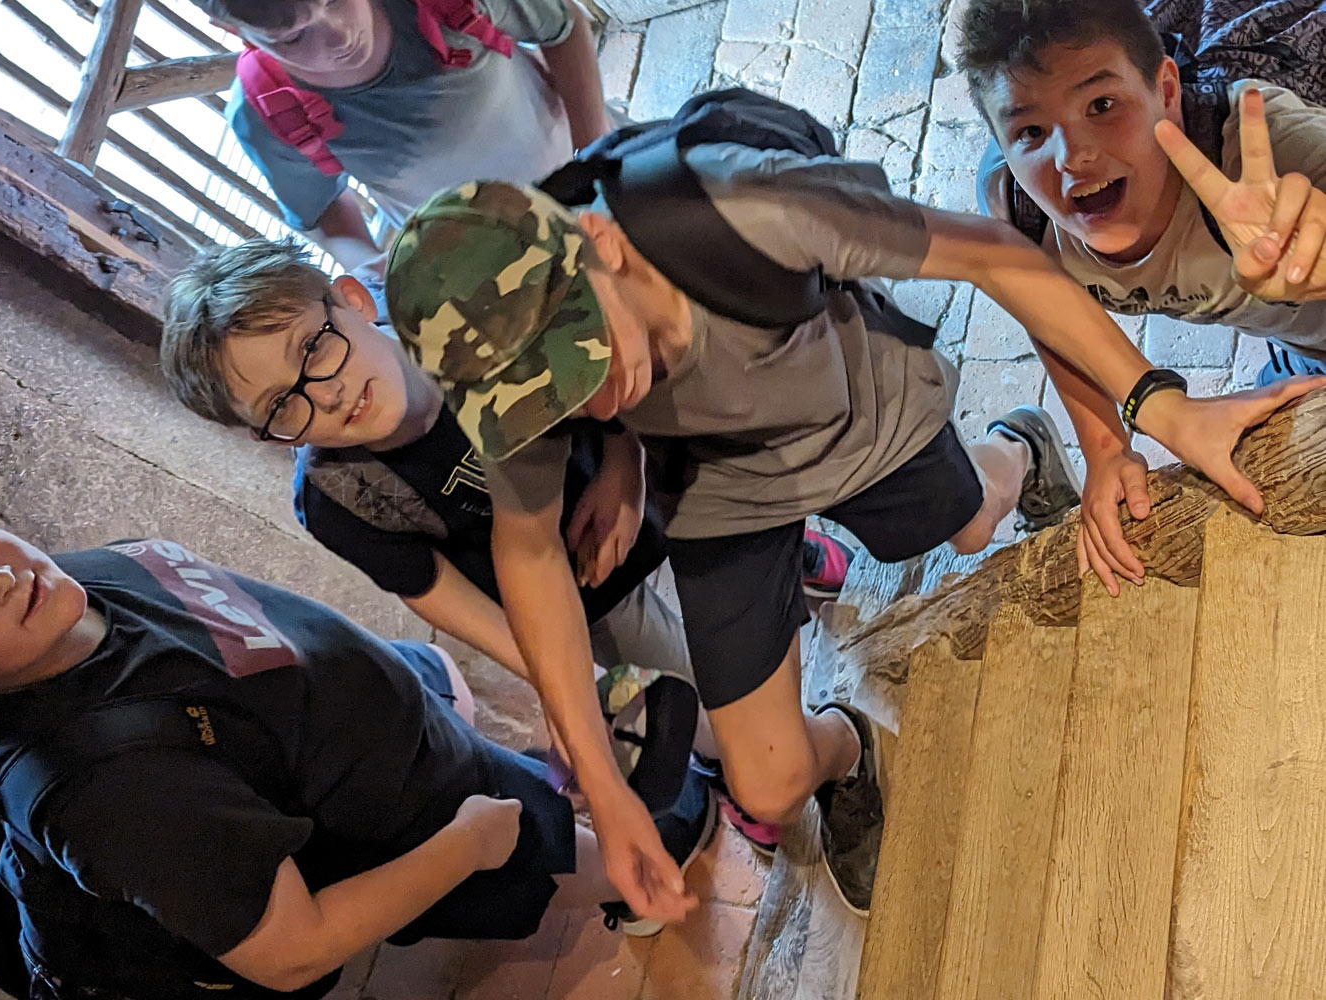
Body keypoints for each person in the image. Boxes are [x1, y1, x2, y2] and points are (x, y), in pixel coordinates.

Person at [381, 172, 1317, 927]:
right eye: (547, 401)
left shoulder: (749, 212)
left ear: (602, 242)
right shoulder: (512, 360)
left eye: (579, 361)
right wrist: (605, 782)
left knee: (969, 525)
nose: (580, 404)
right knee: (767, 779)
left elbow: (997, 252)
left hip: (851, 414)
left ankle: (1016, 452)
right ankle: (849, 751)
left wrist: (1148, 406)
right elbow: (529, 550)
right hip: (715, 489)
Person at [0, 496, 717, 993]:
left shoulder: (61, 593)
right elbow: (289, 951)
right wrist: (465, 846)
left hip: (404, 746)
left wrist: (409, 685)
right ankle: (631, 888)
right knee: (559, 844)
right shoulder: (110, 791)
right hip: (421, 819)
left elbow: (235, 645)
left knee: (525, 802)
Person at [157, 237, 851, 854]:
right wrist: (567, 683)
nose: (326, 394)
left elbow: (601, 360)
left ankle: (788, 555)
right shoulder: (339, 497)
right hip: (576, 594)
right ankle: (731, 767)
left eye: (310, 348)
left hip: (630, 476)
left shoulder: (459, 313)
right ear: (266, 435)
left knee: (719, 501)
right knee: (702, 713)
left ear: (350, 299)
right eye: (282, 407)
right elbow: (437, 592)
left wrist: (623, 467)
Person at [959, 0, 1326, 592]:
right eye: (1029, 131)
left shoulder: (1271, 152)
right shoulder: (1019, 206)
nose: (1072, 156)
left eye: (1101, 105)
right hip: (1296, 346)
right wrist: (1105, 448)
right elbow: (1049, 309)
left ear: (1167, 90)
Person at [197, 0, 607, 272]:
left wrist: (595, 153)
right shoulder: (268, 111)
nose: (341, 35)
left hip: (587, 166)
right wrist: (376, 270)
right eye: (294, 37)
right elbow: (320, 211)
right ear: (232, 30)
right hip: (485, 255)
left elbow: (562, 26)